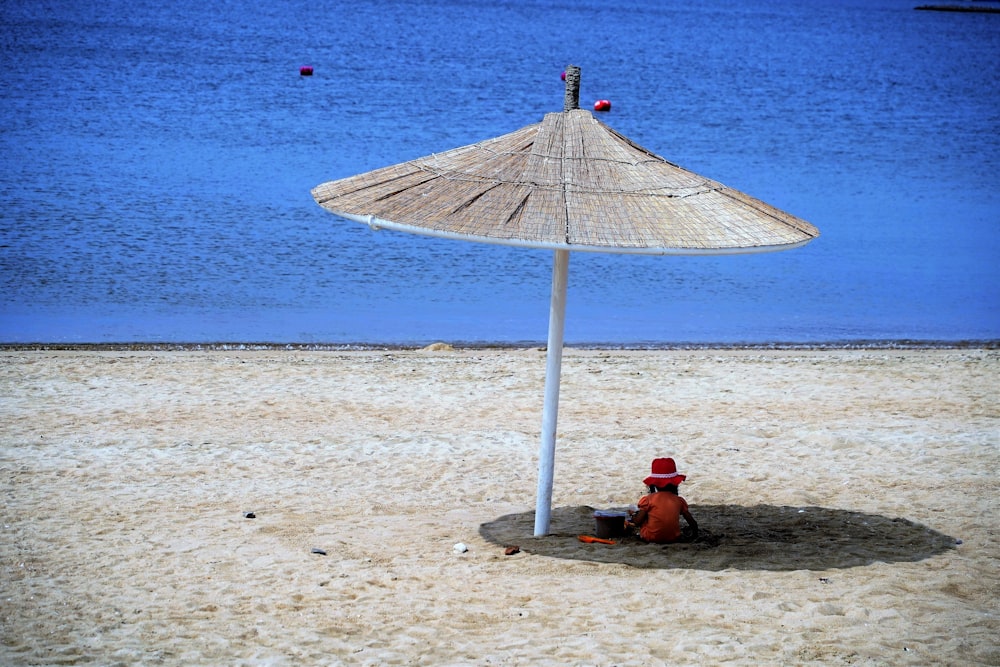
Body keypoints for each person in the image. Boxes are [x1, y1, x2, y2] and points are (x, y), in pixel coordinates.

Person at [627, 457, 698, 543]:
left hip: (651, 537)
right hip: (674, 538)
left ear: (654, 484)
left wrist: (633, 514)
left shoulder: (648, 500)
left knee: (644, 517)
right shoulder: (679, 501)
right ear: (675, 484)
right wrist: (695, 534)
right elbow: (693, 523)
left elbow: (638, 522)